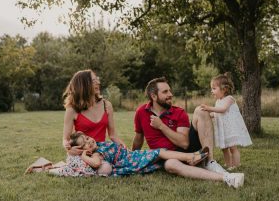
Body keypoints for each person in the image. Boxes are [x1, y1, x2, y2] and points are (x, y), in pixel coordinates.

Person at [132, 77, 244, 188]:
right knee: (170, 164)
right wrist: (132, 157)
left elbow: (184, 143)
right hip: (168, 157)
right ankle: (224, 177)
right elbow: (138, 138)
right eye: (165, 92)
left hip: (188, 148)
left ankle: (209, 161)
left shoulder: (178, 112)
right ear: (154, 96)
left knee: (200, 110)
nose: (170, 94)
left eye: (170, 90)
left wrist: (161, 126)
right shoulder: (141, 112)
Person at [61, 69, 125, 175]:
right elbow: (65, 139)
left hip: (101, 150)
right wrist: (69, 149)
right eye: (93, 81)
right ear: (83, 85)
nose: (98, 83)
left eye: (97, 80)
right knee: (105, 169)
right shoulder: (72, 109)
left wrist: (126, 150)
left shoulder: (106, 105)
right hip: (83, 152)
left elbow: (113, 136)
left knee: (109, 167)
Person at [67, 132, 210, 176]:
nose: (89, 141)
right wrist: (85, 156)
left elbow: (115, 140)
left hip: (132, 155)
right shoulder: (96, 154)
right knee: (160, 152)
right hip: (130, 160)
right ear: (82, 149)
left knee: (160, 155)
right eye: (85, 143)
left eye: (87, 138)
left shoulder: (100, 143)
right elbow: (97, 164)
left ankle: (191, 159)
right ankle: (191, 156)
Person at [201, 73, 252, 169]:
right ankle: (228, 164)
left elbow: (223, 110)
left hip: (230, 128)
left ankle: (236, 165)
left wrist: (209, 108)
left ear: (224, 89)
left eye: (214, 88)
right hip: (222, 130)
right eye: (211, 89)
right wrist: (207, 115)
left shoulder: (229, 99)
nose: (212, 91)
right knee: (224, 148)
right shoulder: (218, 102)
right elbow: (216, 113)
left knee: (233, 148)